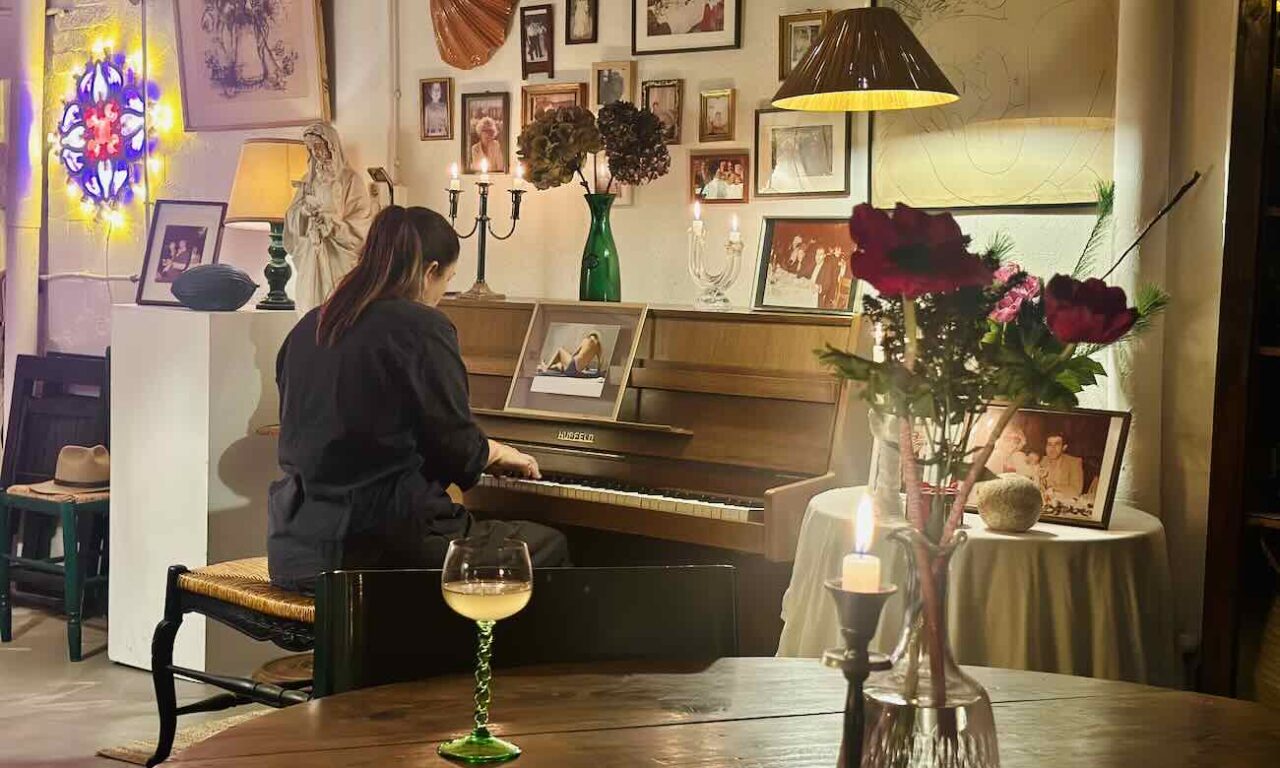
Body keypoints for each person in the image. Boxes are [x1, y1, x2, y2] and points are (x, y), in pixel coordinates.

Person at [268, 206, 571, 592]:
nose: (442, 295)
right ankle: (472, 654)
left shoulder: (311, 324)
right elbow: (458, 455)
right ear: (429, 272)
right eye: (447, 280)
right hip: (383, 548)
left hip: (297, 549)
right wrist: (494, 451)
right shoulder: (422, 326)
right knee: (546, 546)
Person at [283, 122, 378, 315]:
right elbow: (291, 215)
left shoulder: (350, 180)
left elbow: (361, 222)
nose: (316, 153)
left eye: (318, 146)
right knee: (310, 305)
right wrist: (304, 213)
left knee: (336, 304)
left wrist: (332, 225)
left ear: (331, 146)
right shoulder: (308, 180)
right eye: (311, 148)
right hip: (312, 253)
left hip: (338, 256)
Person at [539, 332, 604, 378]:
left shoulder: (586, 340)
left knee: (560, 350)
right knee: (560, 365)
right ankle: (548, 366)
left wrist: (567, 357)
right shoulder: (598, 346)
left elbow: (575, 353)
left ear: (589, 336)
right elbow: (600, 361)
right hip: (575, 372)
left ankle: (546, 368)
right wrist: (598, 372)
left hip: (573, 365)